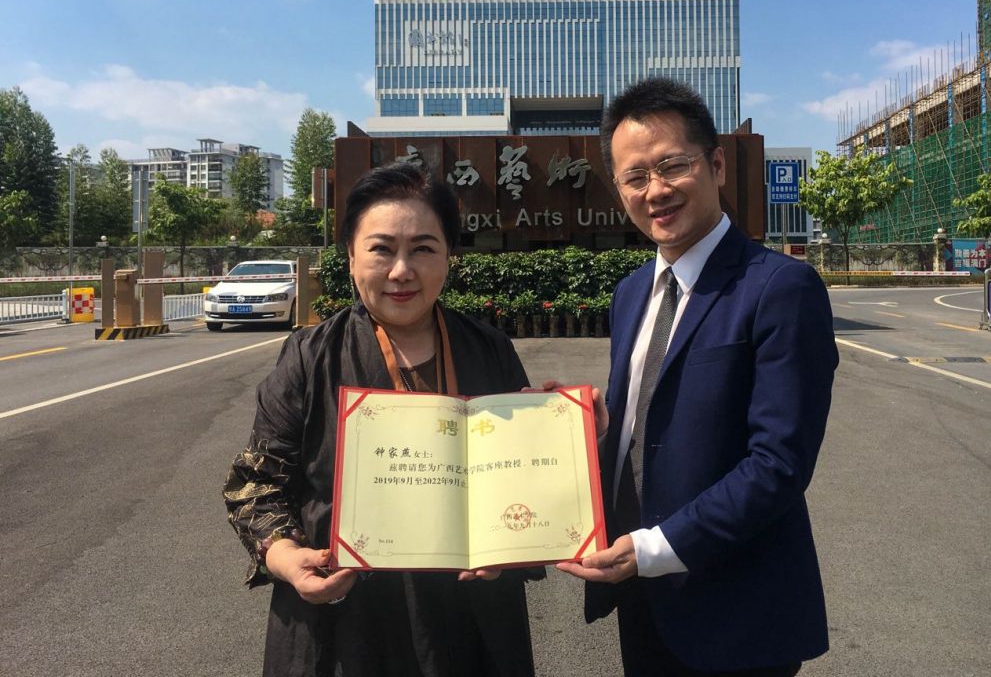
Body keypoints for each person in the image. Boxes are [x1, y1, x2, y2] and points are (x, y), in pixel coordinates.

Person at [557, 77, 838, 676]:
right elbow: (648, 420)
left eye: (672, 166)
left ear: (715, 165)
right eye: (635, 177)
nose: (655, 190)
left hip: (736, 608)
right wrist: (593, 429)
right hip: (641, 596)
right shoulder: (631, 292)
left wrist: (655, 548)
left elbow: (779, 463)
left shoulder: (780, 288)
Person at [223, 162, 539, 677]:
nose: (401, 271)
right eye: (381, 249)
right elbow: (255, 483)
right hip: (345, 615)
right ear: (351, 256)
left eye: (423, 249)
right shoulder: (311, 356)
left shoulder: (489, 349)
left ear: (450, 256)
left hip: (470, 614)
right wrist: (284, 557)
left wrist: (558, 433)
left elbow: (522, 478)